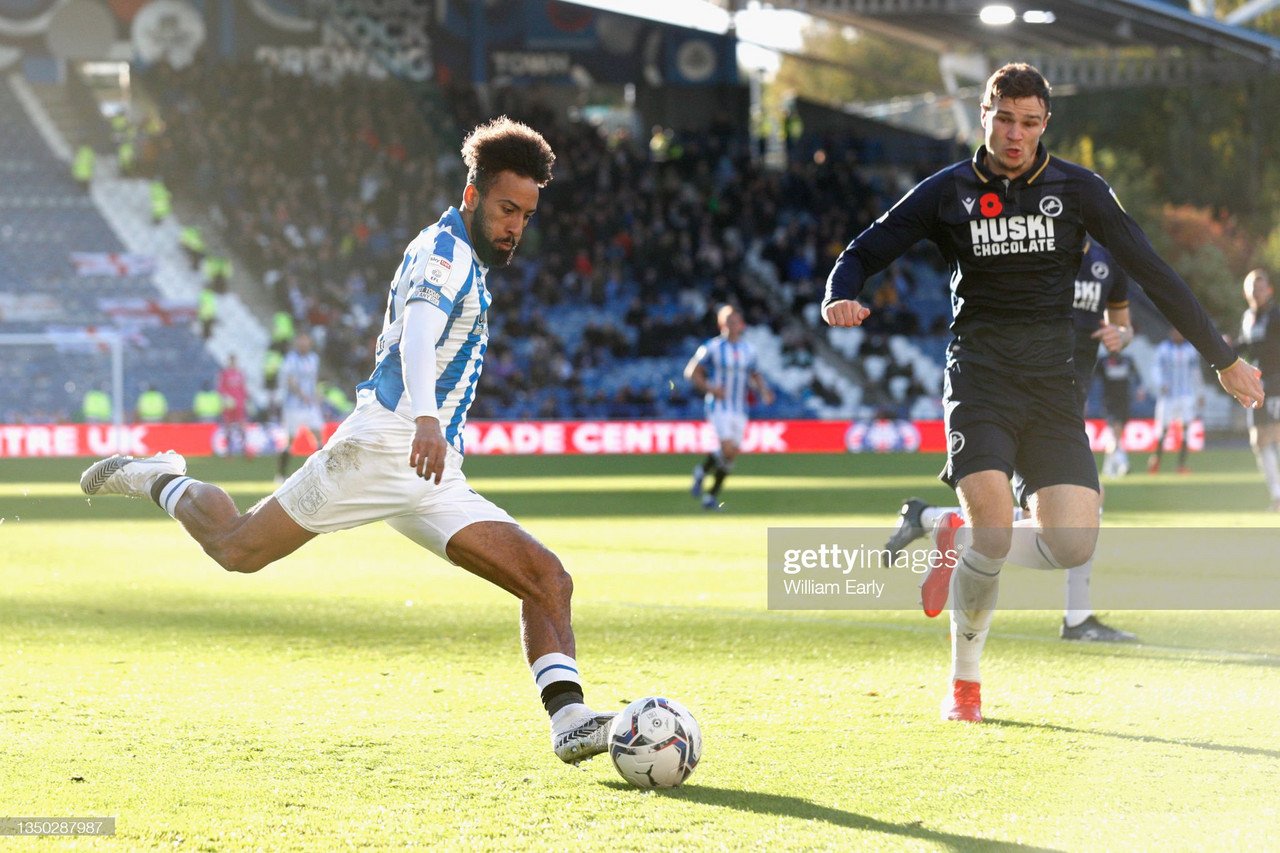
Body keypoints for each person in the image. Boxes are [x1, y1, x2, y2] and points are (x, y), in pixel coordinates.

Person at [79, 117, 615, 765]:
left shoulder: (464, 257)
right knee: (238, 548)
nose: (515, 227)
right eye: (506, 209)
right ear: (472, 196)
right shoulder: (444, 254)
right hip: (385, 444)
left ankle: (571, 720)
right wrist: (424, 417)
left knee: (547, 578)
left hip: (429, 473)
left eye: (526, 216)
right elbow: (418, 330)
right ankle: (161, 474)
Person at [822, 63, 1263, 723]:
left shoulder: (1079, 190)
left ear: (1046, 124)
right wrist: (839, 292)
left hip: (1055, 385)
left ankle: (948, 530)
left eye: (1029, 123)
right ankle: (964, 684)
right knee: (996, 536)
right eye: (1004, 119)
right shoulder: (949, 192)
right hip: (980, 378)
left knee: (1073, 545)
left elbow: (1151, 268)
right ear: (984, 114)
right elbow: (863, 248)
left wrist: (1222, 357)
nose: (1015, 135)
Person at [883, 237, 1138, 642]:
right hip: (1025, 398)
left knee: (1046, 517)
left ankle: (934, 521)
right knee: (1073, 508)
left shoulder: (1110, 265)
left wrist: (1120, 337)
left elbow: (1124, 325)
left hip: (1067, 404)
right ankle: (1076, 619)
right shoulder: (1038, 248)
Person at [684, 304, 774, 511]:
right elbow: (691, 372)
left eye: (736, 321)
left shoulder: (748, 350)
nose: (733, 325)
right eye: (729, 321)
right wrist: (711, 388)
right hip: (719, 406)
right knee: (727, 448)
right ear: (721, 323)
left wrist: (764, 391)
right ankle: (708, 492)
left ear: (741, 325)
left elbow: (755, 374)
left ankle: (705, 484)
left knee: (731, 454)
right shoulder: (712, 347)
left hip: (740, 408)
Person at [1238, 268, 1280, 509]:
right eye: (1252, 286)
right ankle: (1276, 495)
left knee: (1276, 436)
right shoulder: (1247, 317)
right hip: (1255, 384)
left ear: (1269, 291)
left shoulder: (1276, 316)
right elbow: (1247, 345)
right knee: (1258, 440)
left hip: (1276, 383)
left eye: (1260, 286)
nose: (1256, 291)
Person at [1148, 328, 1203, 474]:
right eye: (1175, 332)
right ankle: (1156, 460)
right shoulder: (1163, 349)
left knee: (1185, 429)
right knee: (1163, 429)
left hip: (1186, 395)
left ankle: (1181, 465)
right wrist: (1161, 384)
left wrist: (1199, 393)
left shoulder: (1190, 351)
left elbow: (1196, 373)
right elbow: (1155, 369)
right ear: (1171, 332)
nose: (1178, 334)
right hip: (1168, 396)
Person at [276, 332, 324, 484]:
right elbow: (290, 380)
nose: (304, 344)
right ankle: (281, 474)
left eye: (306, 340)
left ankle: (320, 472)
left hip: (310, 405)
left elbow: (314, 379)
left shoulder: (313, 359)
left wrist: (316, 395)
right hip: (293, 406)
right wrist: (301, 394)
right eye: (301, 340)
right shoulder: (291, 359)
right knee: (290, 440)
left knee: (318, 435)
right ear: (297, 342)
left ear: (309, 342)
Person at [1099, 349, 1140, 477]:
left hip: (1124, 402)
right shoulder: (1103, 361)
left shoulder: (1127, 360)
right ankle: (1123, 464)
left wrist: (1140, 389)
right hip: (1109, 402)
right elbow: (1092, 378)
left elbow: (1137, 377)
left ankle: (1108, 468)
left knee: (1116, 436)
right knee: (1116, 432)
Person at [217, 354, 249, 457]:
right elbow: (220, 388)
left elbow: (243, 388)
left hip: (239, 404)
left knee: (241, 426)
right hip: (229, 404)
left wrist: (246, 399)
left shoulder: (240, 373)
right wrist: (226, 398)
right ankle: (229, 450)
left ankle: (244, 448)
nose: (233, 363)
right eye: (231, 361)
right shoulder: (224, 374)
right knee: (228, 426)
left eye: (234, 360)